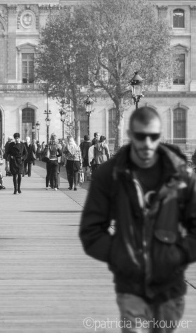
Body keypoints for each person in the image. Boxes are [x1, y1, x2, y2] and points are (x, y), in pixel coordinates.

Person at [79, 107, 196, 333]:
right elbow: (91, 231)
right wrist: (121, 255)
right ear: (130, 135)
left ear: (160, 136)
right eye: (141, 136)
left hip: (170, 286)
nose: (148, 143)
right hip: (130, 285)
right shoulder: (110, 174)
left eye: (154, 136)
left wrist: (178, 254)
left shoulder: (182, 174)